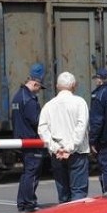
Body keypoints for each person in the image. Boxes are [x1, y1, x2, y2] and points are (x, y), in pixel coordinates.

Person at [38, 71, 90, 203]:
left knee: (63, 193)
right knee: (78, 191)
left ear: (57, 86)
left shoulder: (48, 105)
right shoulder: (80, 102)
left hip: (57, 154)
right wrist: (70, 148)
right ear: (74, 85)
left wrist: (56, 148)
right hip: (78, 152)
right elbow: (81, 127)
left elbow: (42, 129)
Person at [11, 63, 47, 213]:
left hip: (21, 138)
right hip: (31, 140)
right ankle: (29, 202)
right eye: (39, 87)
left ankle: (22, 202)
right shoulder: (29, 100)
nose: (39, 91)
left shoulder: (18, 96)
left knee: (26, 172)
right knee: (32, 172)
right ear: (35, 83)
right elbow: (36, 120)